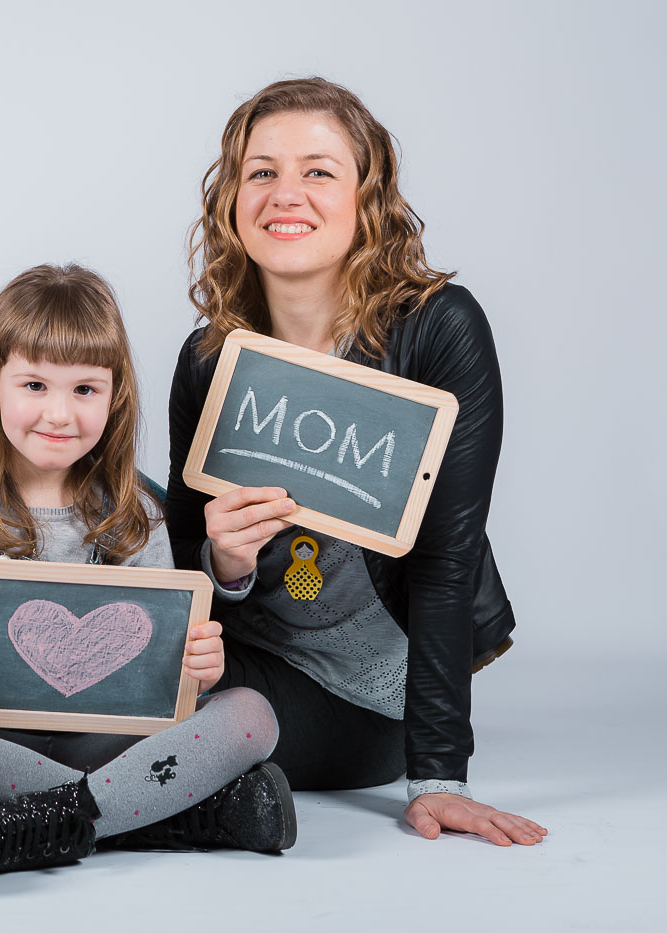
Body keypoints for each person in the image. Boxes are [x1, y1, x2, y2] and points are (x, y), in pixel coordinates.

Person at [167, 77, 547, 847]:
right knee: (101, 533)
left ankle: (64, 815)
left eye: (318, 170)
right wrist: (224, 563)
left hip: (369, 690)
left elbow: (446, 562)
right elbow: (184, 560)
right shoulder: (210, 359)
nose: (286, 193)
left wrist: (439, 776)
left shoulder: (440, 329)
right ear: (232, 198)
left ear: (367, 196)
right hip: (246, 646)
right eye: (261, 170)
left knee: (180, 714)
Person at [0, 264, 295, 888]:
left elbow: (165, 673)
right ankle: (164, 818)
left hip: (115, 742)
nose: (59, 414)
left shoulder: (136, 516)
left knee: (252, 714)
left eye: (85, 390)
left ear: (116, 395)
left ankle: (23, 829)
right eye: (35, 385)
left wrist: (194, 664)